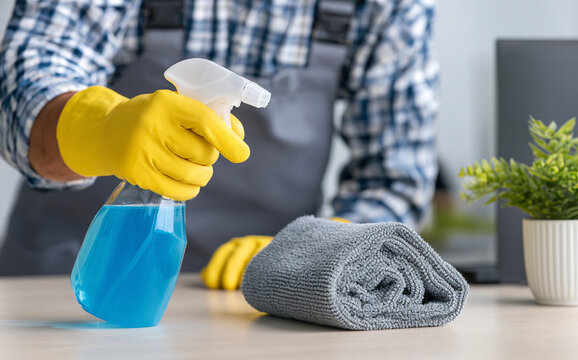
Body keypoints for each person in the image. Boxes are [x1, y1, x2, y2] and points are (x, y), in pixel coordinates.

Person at [0, 0, 438, 286]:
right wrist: (98, 128)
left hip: (258, 302)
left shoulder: (389, 7)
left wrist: (320, 250)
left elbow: (394, 180)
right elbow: (26, 84)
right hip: (63, 282)